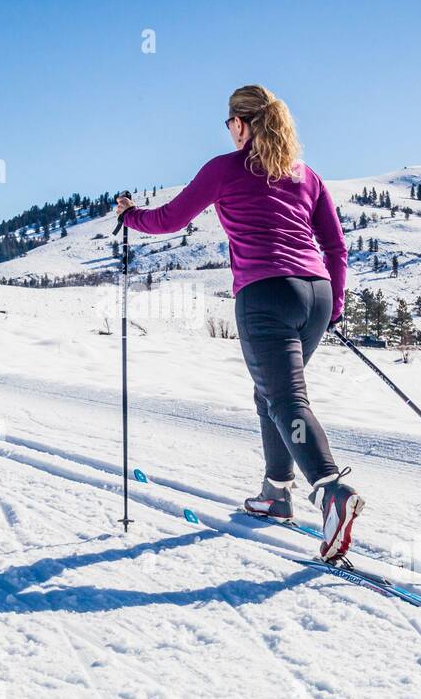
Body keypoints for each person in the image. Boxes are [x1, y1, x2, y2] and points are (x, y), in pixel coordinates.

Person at [117, 84, 362, 563]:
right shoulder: (305, 175)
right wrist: (333, 304)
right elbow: (335, 246)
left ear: (243, 124)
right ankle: (275, 492)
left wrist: (130, 217)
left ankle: (330, 490)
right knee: (270, 395)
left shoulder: (226, 168)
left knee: (286, 398)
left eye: (230, 122)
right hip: (315, 293)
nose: (228, 131)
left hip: (265, 295)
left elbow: (169, 219)